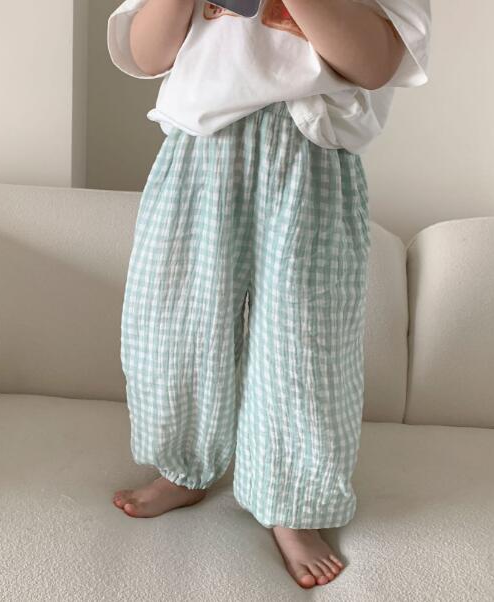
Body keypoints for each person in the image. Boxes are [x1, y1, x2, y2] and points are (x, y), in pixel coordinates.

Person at [107, 0, 431, 589]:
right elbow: (144, 52)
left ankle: (293, 504)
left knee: (301, 345)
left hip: (312, 155)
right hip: (198, 149)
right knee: (173, 326)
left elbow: (376, 63)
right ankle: (184, 466)